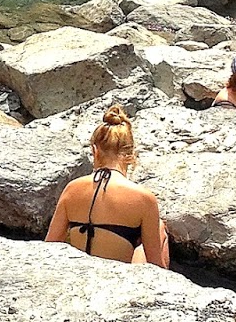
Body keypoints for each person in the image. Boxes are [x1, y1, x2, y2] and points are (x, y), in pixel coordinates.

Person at [46, 103, 170, 266]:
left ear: (94, 151)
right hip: (116, 283)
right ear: (131, 154)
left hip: (78, 275)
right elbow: (156, 266)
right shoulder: (144, 198)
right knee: (160, 229)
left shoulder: (72, 188)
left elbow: (48, 248)